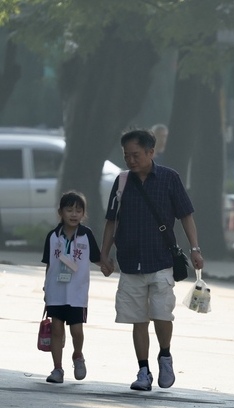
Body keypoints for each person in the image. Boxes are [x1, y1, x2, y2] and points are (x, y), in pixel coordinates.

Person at [100, 129, 204, 392]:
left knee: (161, 314)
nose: (131, 160)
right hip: (130, 261)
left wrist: (195, 248)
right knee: (138, 319)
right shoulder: (122, 182)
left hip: (161, 260)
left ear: (150, 152)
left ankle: (165, 356)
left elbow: (186, 216)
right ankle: (143, 370)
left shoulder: (169, 179)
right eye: (126, 156)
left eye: (135, 155)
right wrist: (104, 254)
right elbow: (112, 220)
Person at [42, 191, 110, 383]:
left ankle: (78, 355)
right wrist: (46, 288)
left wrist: (107, 266)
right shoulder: (53, 236)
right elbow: (49, 264)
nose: (73, 214)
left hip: (77, 293)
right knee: (56, 329)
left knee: (76, 331)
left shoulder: (86, 235)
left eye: (78, 210)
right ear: (60, 212)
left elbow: (97, 259)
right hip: (55, 291)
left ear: (83, 214)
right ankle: (57, 369)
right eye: (69, 210)